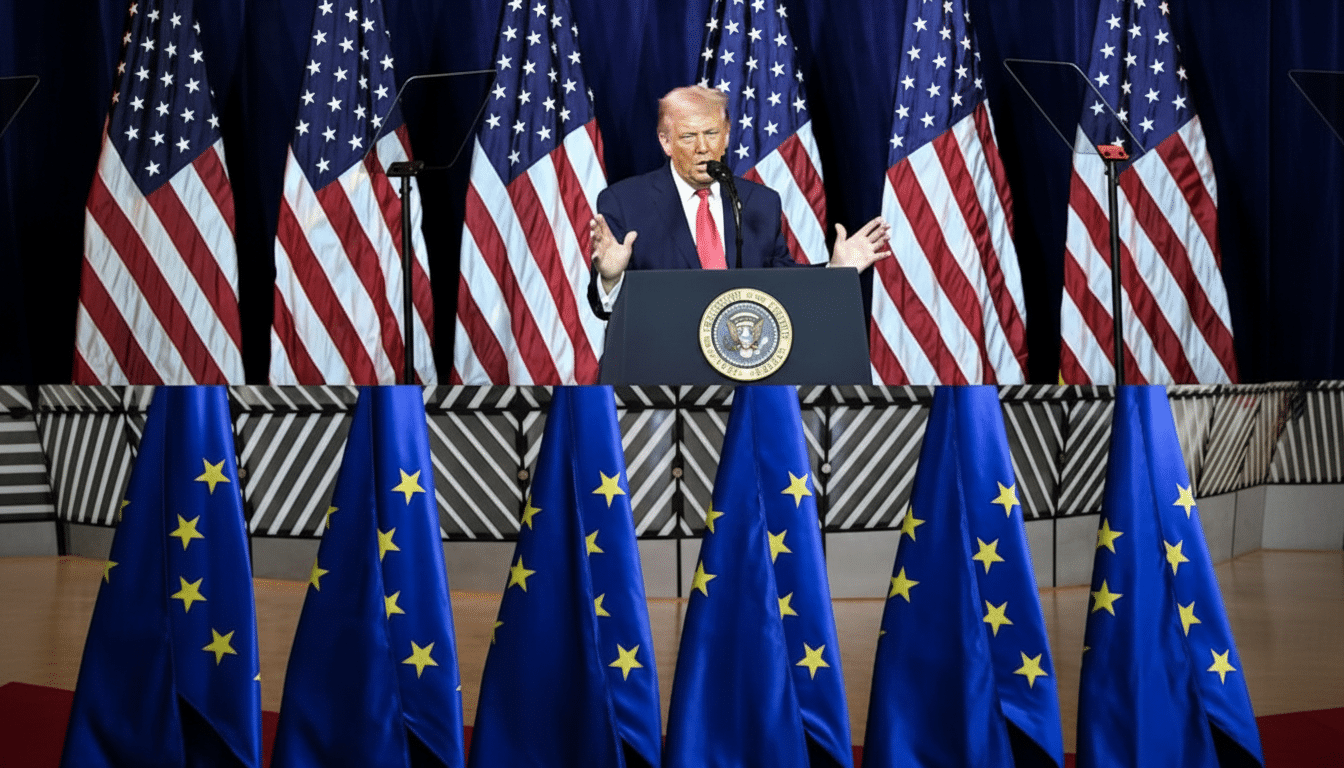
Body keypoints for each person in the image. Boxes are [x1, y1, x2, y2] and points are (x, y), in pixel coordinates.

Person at [587, 85, 891, 319]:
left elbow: (781, 283)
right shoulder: (625, 202)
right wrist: (611, 279)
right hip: (663, 377)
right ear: (665, 142)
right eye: (688, 137)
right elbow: (604, 309)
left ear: (727, 136)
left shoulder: (759, 202)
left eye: (711, 134)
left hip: (744, 364)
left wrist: (835, 272)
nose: (703, 148)